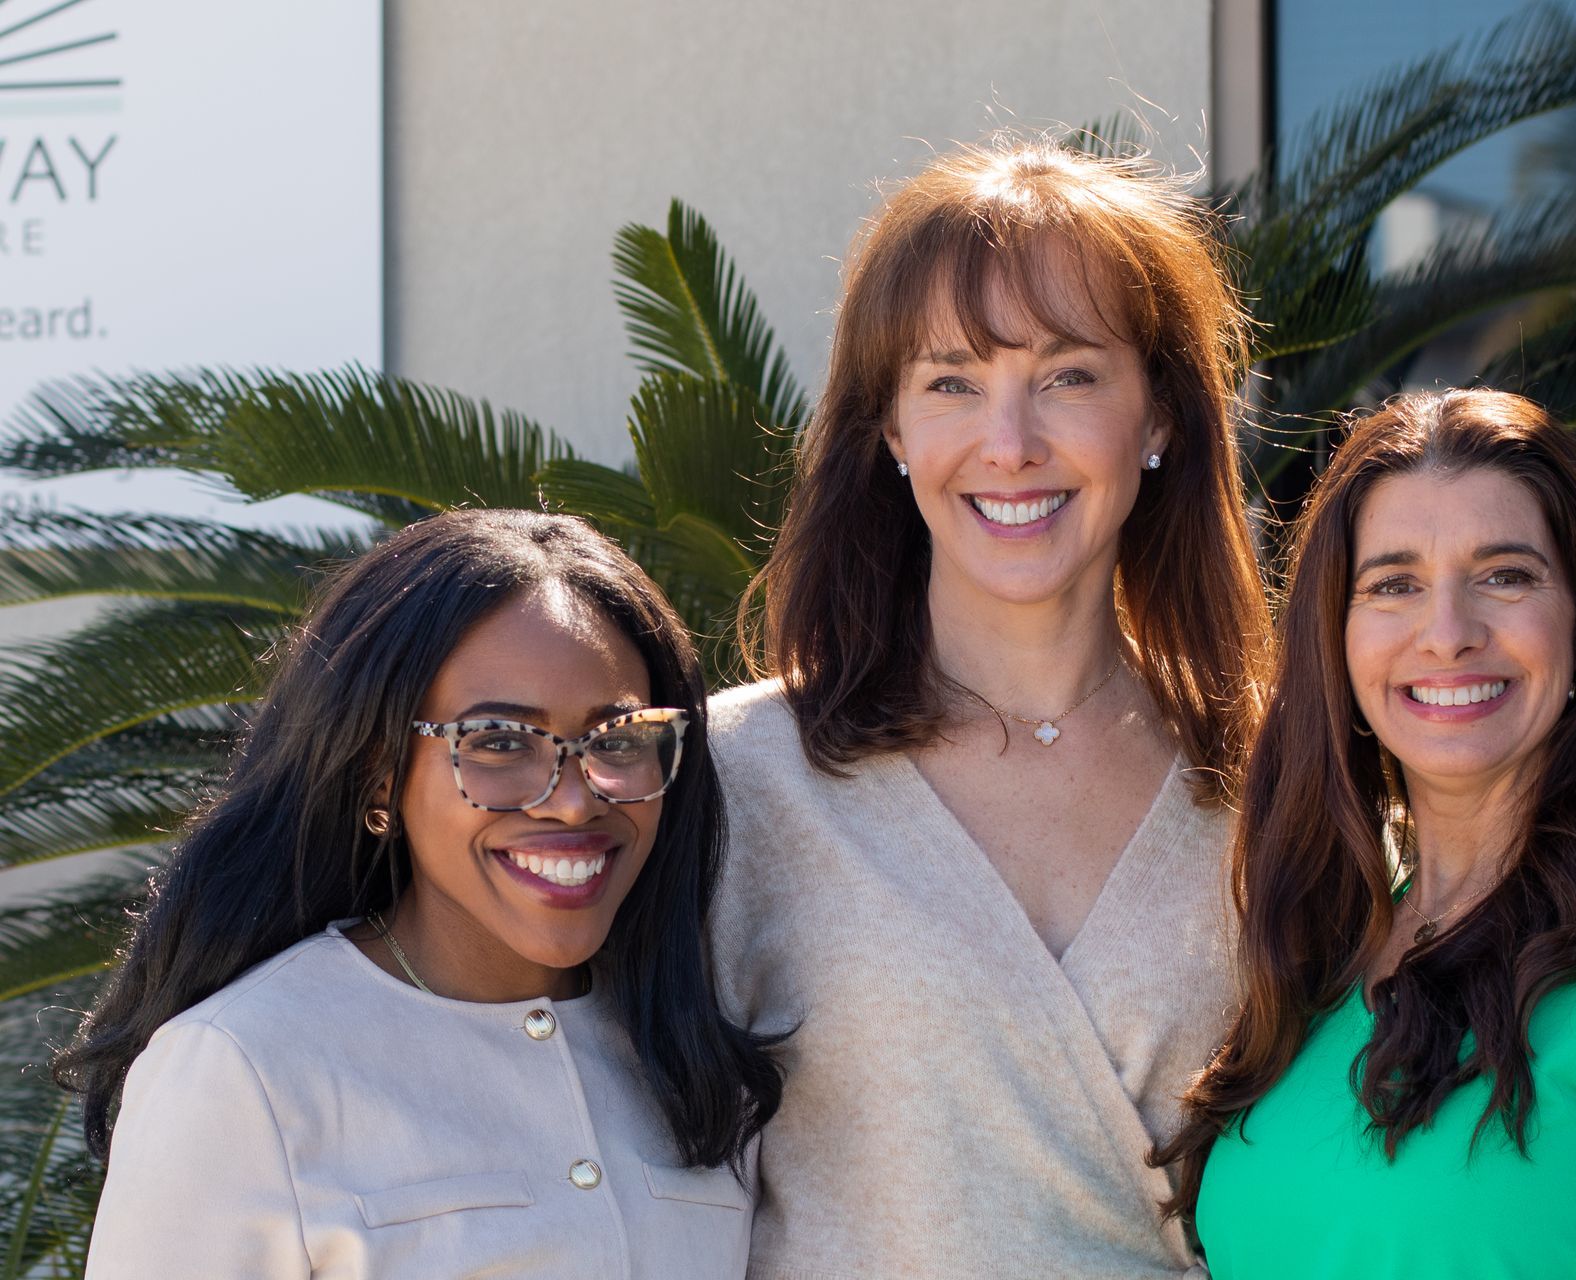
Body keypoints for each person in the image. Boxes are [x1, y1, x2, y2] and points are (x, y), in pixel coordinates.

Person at [708, 135, 1272, 1277]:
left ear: (1159, 417)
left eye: (1069, 375)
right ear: (891, 430)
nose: (1010, 446)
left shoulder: (1275, 777)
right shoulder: (743, 778)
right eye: (952, 381)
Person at [1161, 389, 1576, 1279]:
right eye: (1394, 584)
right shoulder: (1325, 952)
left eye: (1505, 576)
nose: (1448, 635)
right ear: (1337, 642)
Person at [62, 509, 782, 1279]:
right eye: (500, 742)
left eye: (618, 740)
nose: (574, 801)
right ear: (379, 772)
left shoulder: (700, 1055)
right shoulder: (244, 1066)